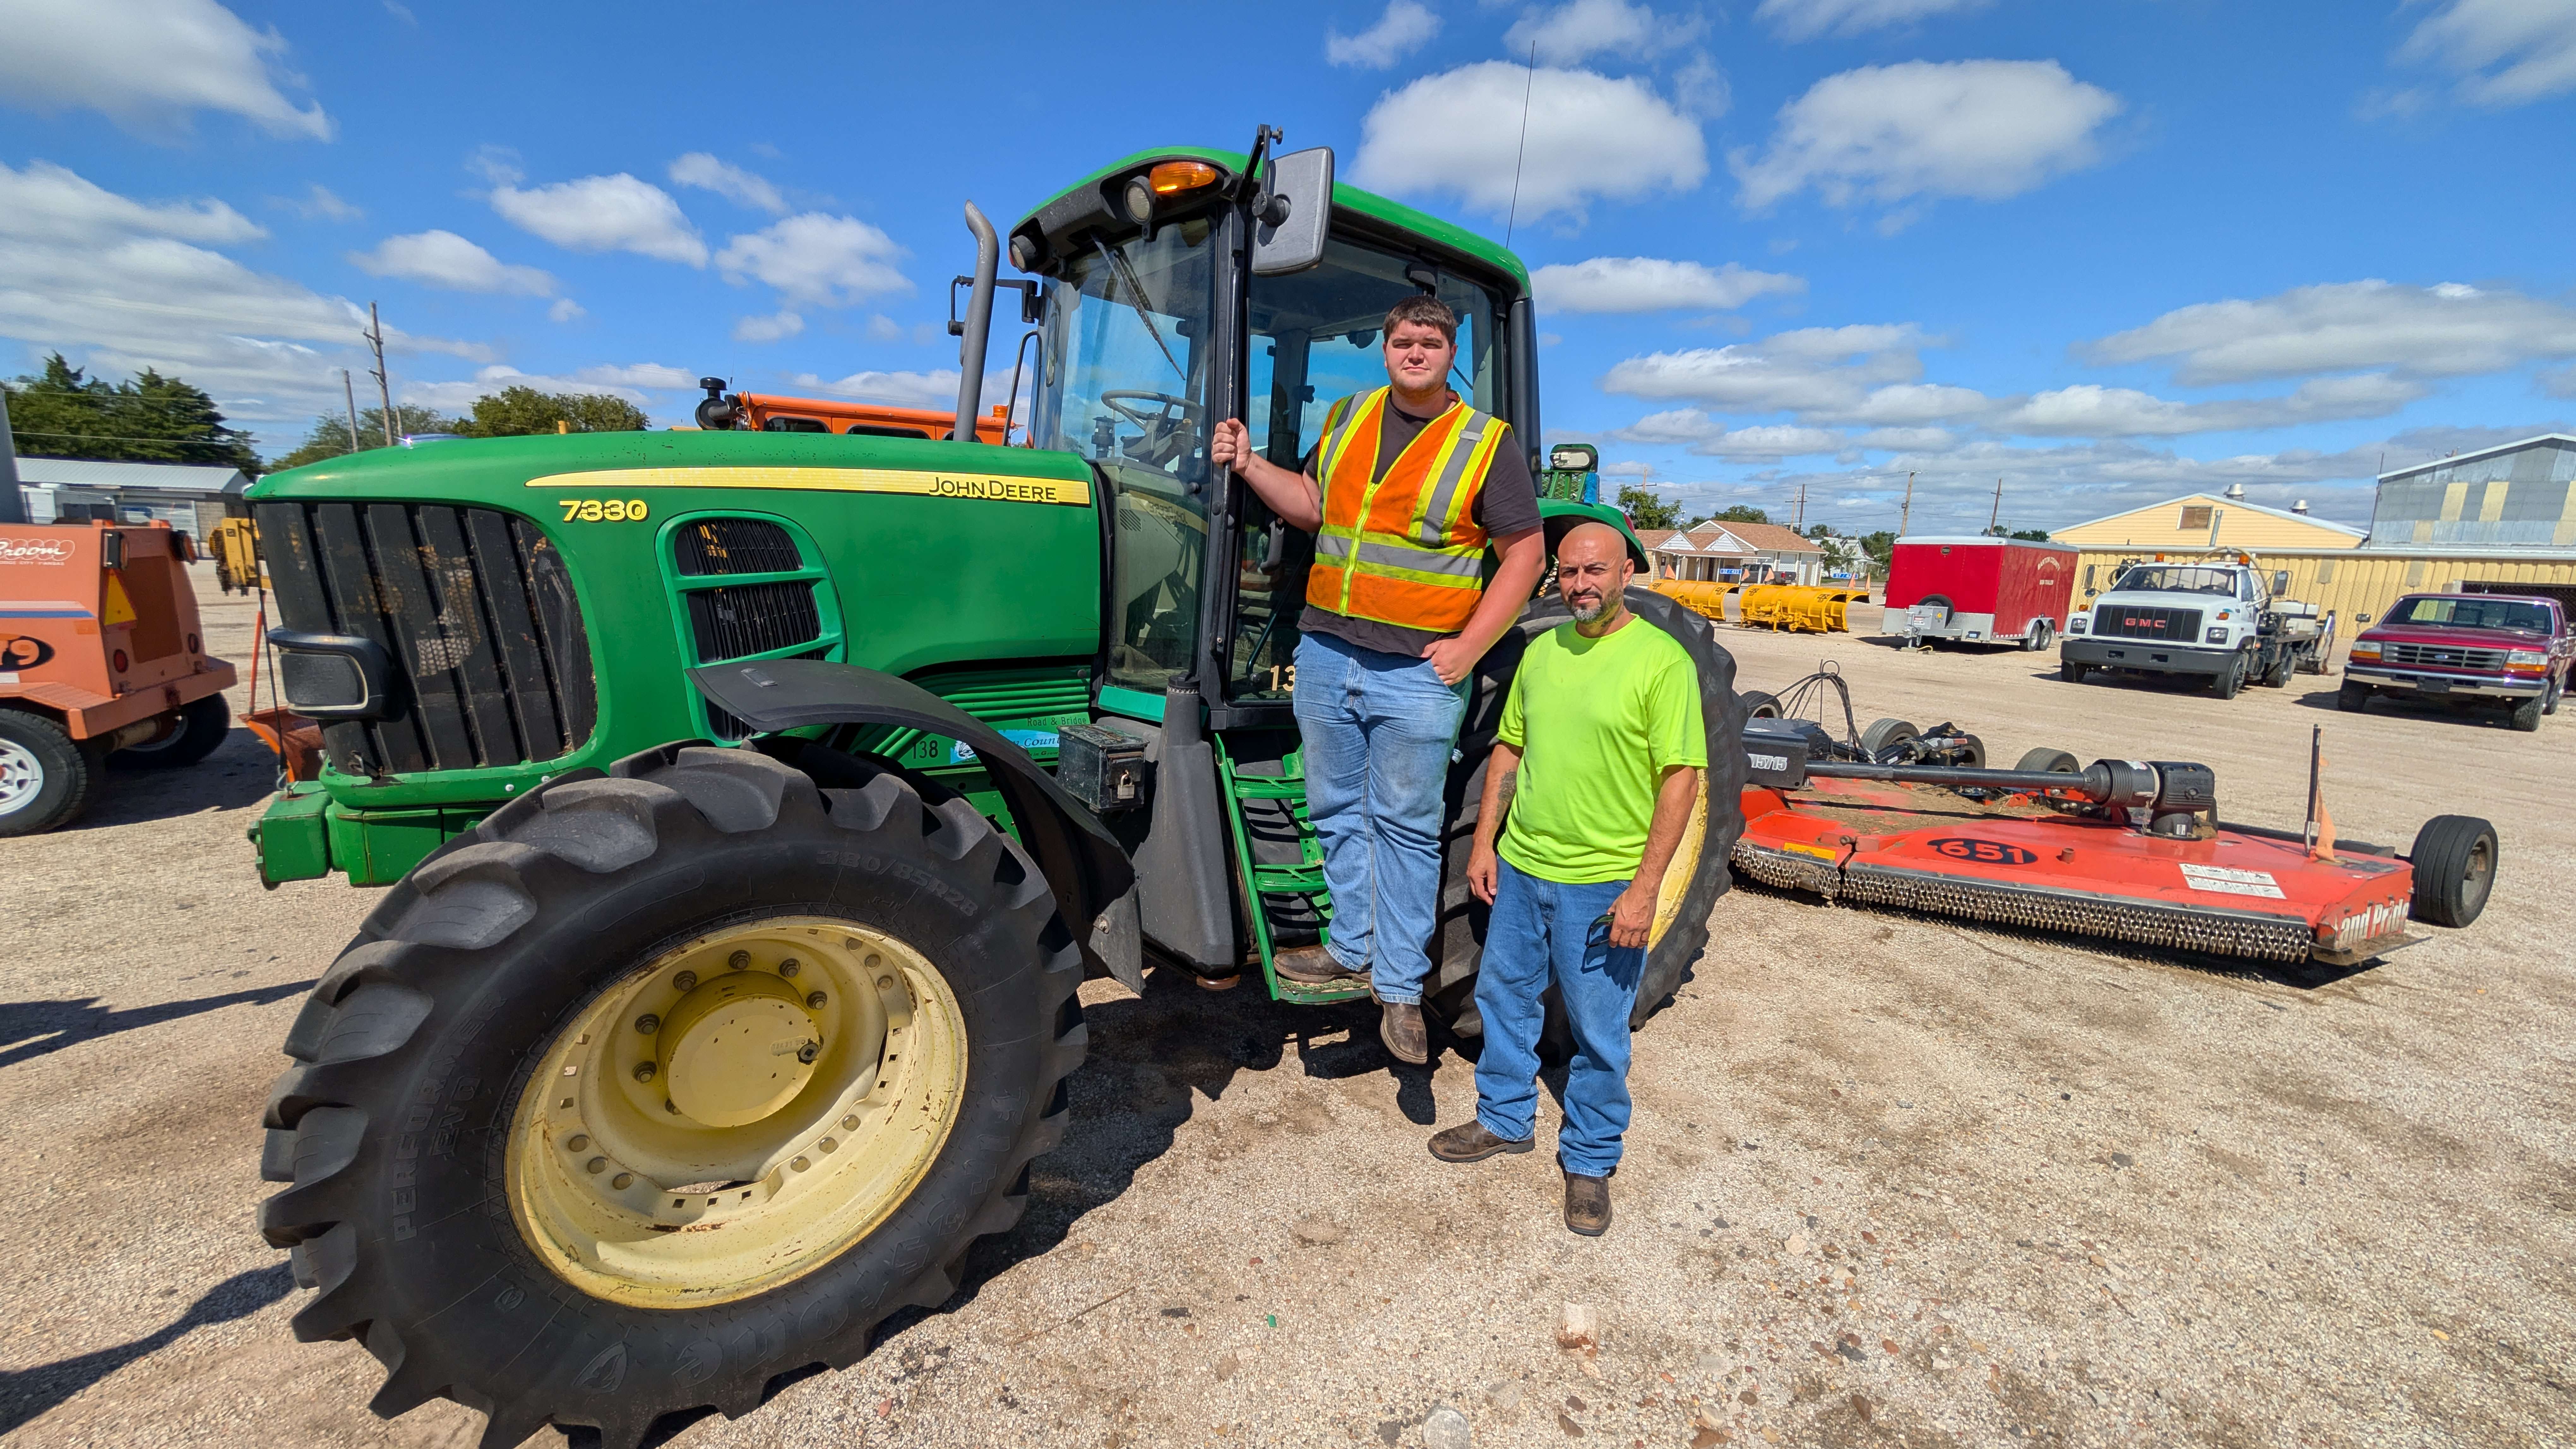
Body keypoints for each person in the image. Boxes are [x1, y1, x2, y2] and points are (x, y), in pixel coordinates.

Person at [1209, 296, 1547, 1064]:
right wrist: (1250, 461)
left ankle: (1399, 986)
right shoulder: (1349, 417)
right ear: (1386, 349)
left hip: (1417, 673)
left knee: (1404, 824)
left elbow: (1524, 554)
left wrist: (1467, 649)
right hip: (1329, 651)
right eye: (1403, 341)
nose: (1416, 352)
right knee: (1334, 809)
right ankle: (1352, 945)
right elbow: (1316, 509)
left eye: (1431, 342)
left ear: (1450, 352)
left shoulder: (1484, 443)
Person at [1425, 522, 1705, 1236]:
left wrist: (1644, 890)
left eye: (1595, 571)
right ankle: (1506, 1118)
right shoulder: (1544, 651)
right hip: (1523, 867)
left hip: (1603, 881)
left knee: (1598, 1026)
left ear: (1629, 573)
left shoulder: (1661, 662)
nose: (1580, 585)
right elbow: (1509, 750)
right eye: (1569, 572)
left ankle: (1588, 1157)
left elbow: (1681, 781)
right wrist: (1485, 843)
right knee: (1506, 994)